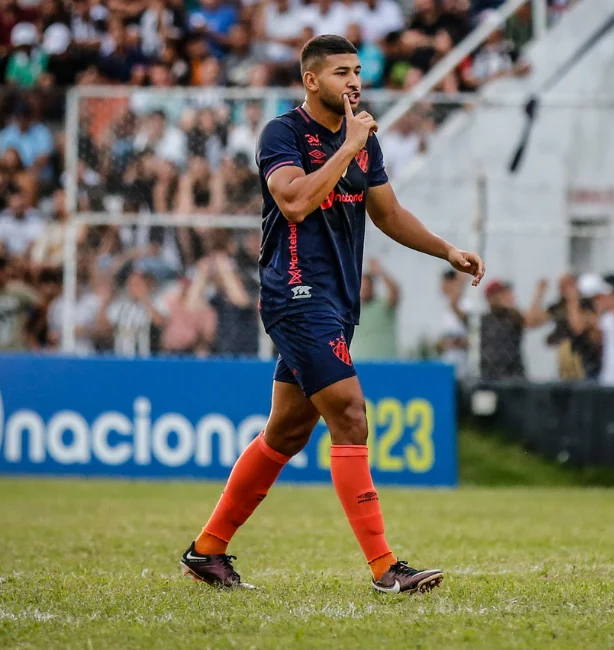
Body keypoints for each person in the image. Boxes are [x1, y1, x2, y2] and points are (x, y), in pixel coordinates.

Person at [180, 35, 484, 594]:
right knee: (350, 414)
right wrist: (347, 146)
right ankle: (385, 568)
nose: (354, 80)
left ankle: (207, 550)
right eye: (341, 71)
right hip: (296, 293)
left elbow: (387, 212)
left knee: (287, 431)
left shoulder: (364, 139)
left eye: (358, 70)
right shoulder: (283, 133)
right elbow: (293, 201)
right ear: (311, 80)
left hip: (337, 300)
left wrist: (446, 250)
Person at [349, 258, 399, 360]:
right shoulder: (351, 309)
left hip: (386, 362)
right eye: (362, 285)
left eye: (368, 285)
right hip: (359, 363)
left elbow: (395, 292)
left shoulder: (383, 305)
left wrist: (380, 271)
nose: (365, 288)